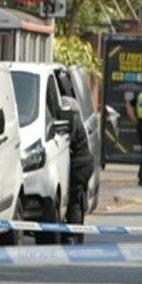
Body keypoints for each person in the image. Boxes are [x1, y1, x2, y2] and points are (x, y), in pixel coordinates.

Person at [61, 96, 95, 244]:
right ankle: (77, 232)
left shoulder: (73, 119)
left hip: (80, 163)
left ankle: (74, 233)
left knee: (75, 199)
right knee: (79, 198)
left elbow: (69, 140)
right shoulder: (77, 118)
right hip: (85, 162)